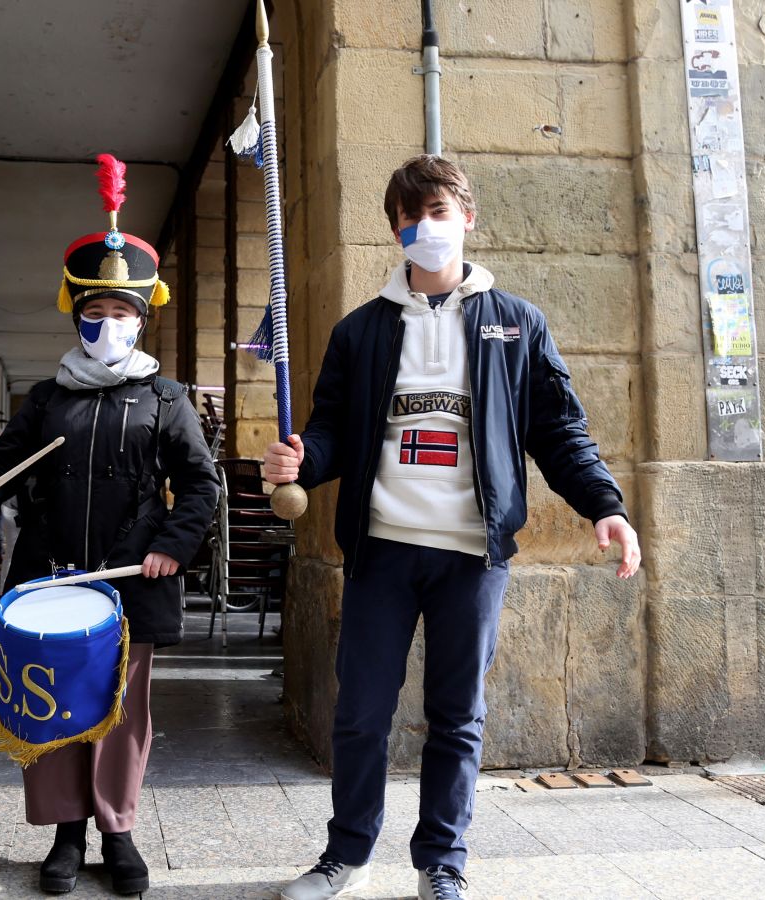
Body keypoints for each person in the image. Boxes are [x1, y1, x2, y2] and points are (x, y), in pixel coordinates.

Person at [269, 155, 641, 900]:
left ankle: (442, 861)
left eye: (438, 210)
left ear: (467, 217)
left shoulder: (516, 323)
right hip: (381, 550)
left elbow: (559, 431)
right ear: (394, 231)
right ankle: (344, 853)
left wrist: (606, 507)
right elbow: (333, 431)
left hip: (471, 556)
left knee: (456, 716)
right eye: (409, 216)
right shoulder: (360, 332)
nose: (425, 227)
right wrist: (300, 460)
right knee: (359, 713)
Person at [0, 155, 218, 895]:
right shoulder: (45, 399)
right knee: (55, 706)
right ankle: (65, 835)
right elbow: (1, 464)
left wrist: (168, 548)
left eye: (121, 313)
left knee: (121, 713)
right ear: (77, 315)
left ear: (140, 318)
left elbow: (199, 484)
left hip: (130, 578)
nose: (107, 325)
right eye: (94, 313)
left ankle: (118, 832)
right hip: (49, 576)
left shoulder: (166, 399)